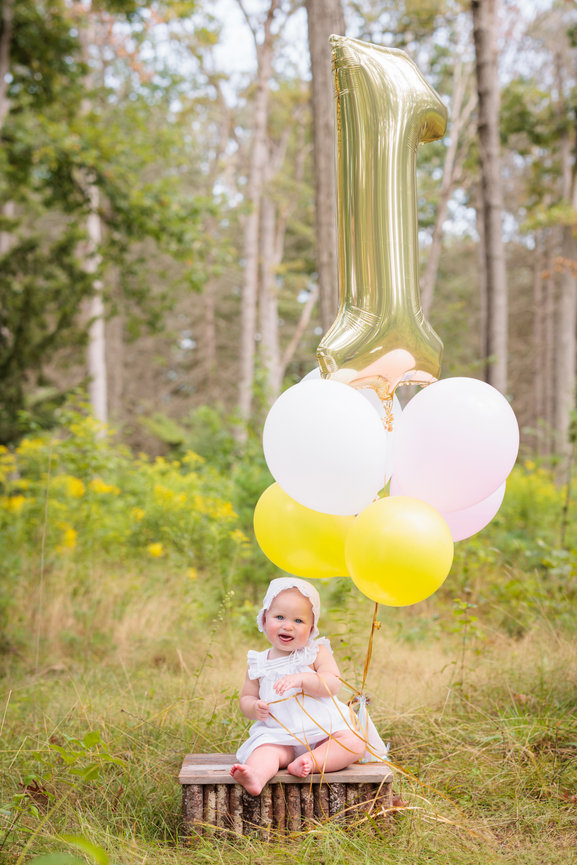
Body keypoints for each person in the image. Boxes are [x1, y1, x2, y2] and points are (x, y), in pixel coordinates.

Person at [230, 577, 367, 796]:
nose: (287, 625)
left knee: (354, 743)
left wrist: (304, 678)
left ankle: (309, 761)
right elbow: (246, 697)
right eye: (280, 617)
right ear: (264, 619)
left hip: (323, 733)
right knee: (264, 750)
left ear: (312, 628)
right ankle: (256, 776)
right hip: (279, 736)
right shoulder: (259, 662)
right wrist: (254, 707)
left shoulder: (315, 653)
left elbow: (333, 684)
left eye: (298, 621)